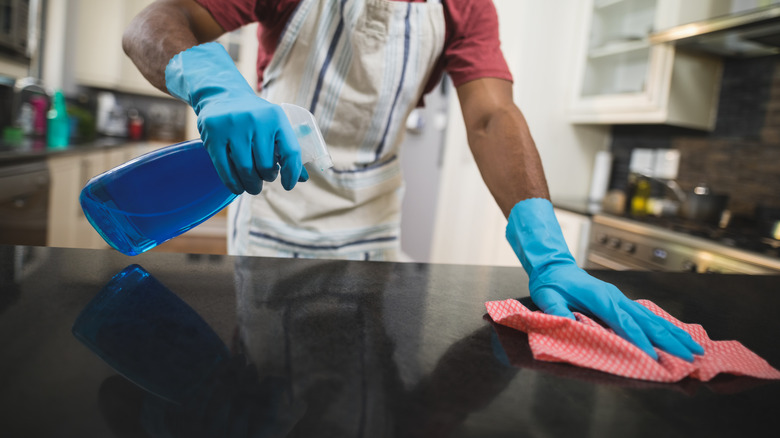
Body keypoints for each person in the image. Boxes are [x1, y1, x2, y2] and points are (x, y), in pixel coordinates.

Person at [122, 0, 703, 362]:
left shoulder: (465, 6)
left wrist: (547, 252)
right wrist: (215, 85)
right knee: (271, 375)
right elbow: (157, 21)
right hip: (273, 215)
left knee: (367, 370)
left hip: (374, 225)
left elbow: (490, 114)